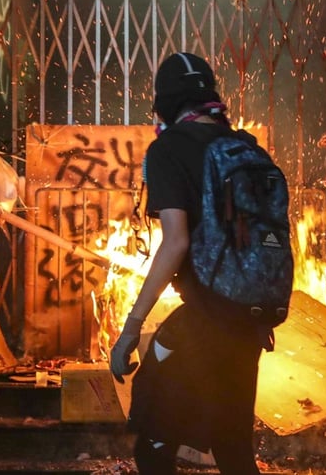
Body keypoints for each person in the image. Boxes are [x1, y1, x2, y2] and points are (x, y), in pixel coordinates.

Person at [109, 52, 269, 475]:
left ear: (164, 104)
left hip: (201, 322)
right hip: (249, 325)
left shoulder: (168, 150)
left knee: (155, 445)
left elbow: (175, 241)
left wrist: (131, 327)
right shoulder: (246, 149)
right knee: (233, 448)